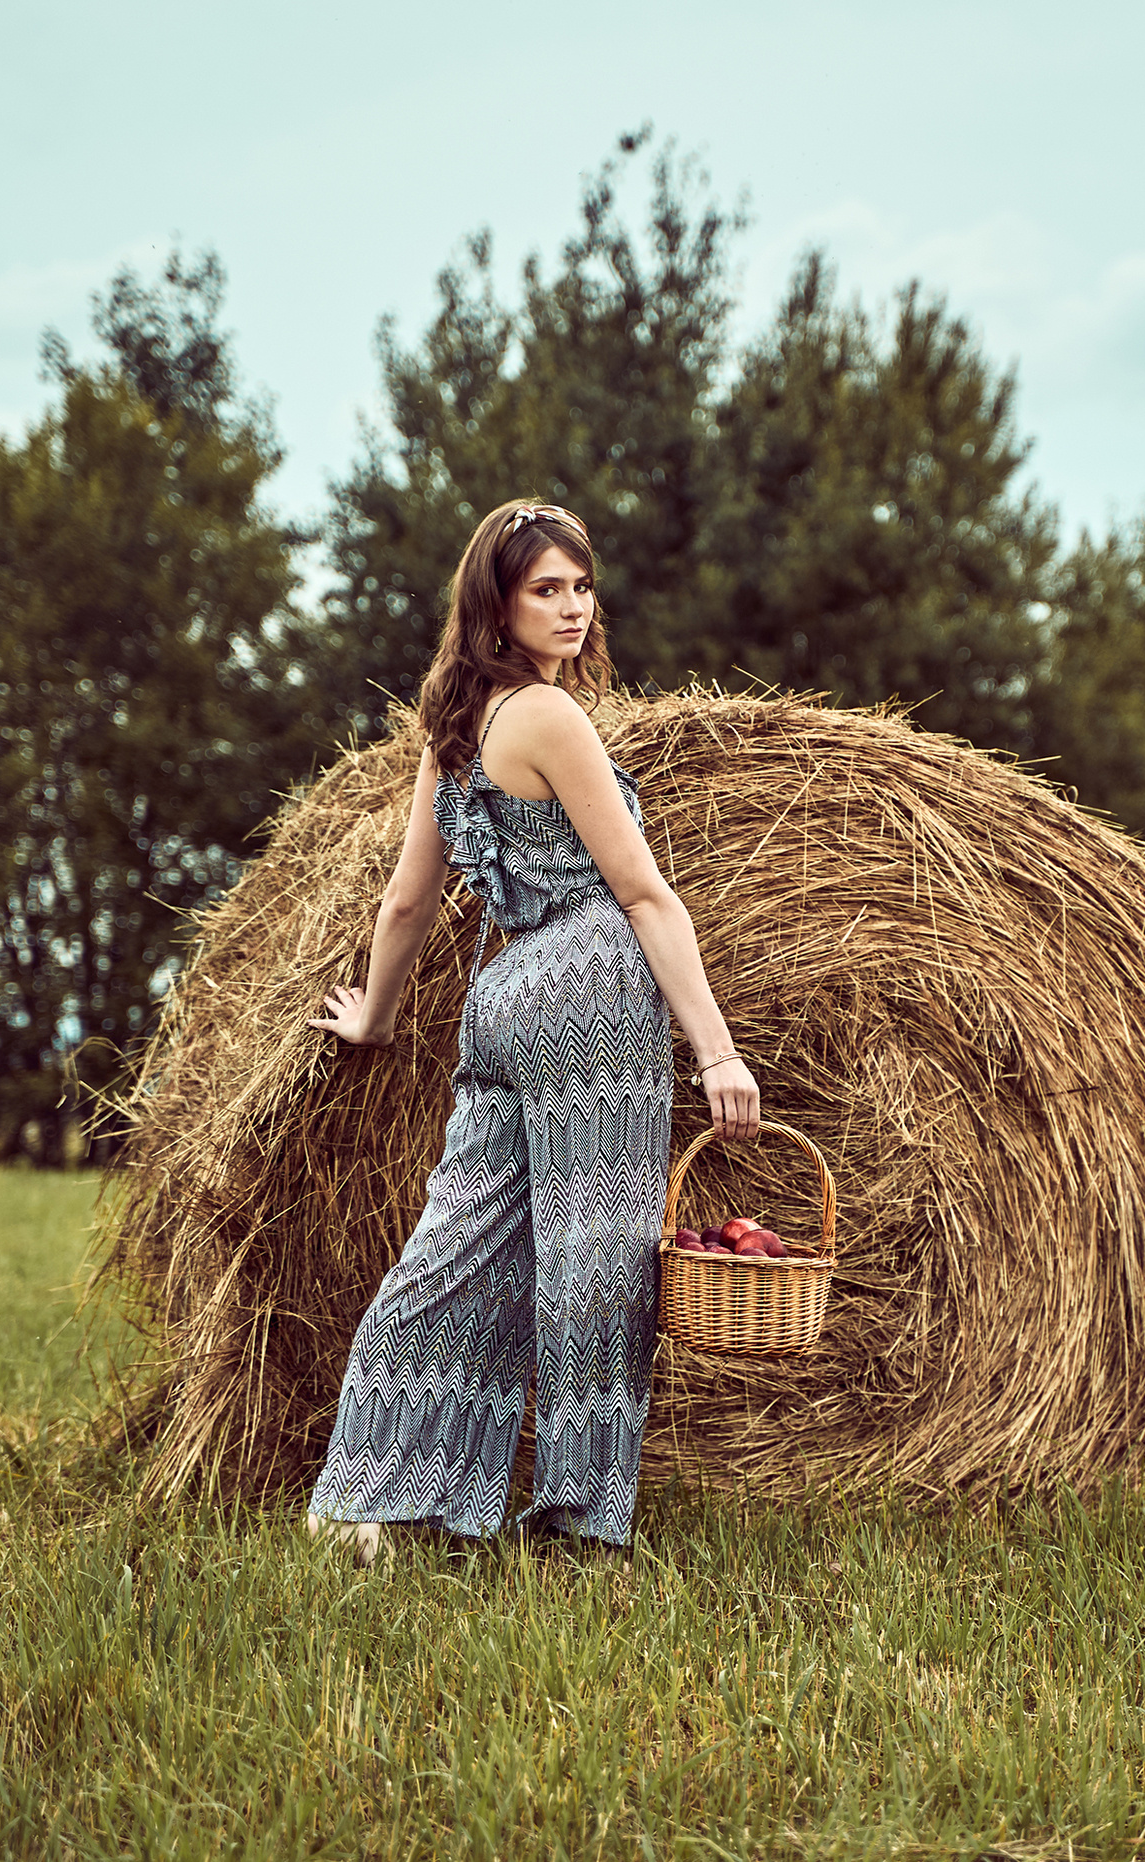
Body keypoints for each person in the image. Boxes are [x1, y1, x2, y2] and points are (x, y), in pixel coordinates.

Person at [301, 499, 759, 1564]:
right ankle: (578, 1520)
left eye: (579, 586)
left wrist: (371, 1013)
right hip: (591, 989)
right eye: (544, 587)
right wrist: (719, 1049)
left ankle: (363, 1498)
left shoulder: (455, 727)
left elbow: (407, 902)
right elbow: (643, 894)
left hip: (504, 997)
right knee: (594, 1258)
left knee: (451, 1249)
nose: (569, 605)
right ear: (496, 603)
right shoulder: (551, 718)